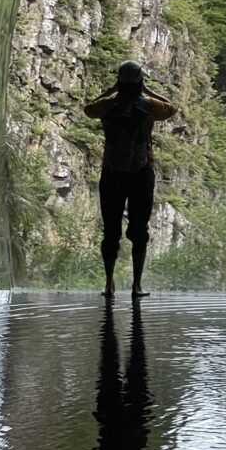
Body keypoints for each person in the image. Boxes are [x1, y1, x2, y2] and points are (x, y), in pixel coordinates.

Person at [84, 59, 176, 298]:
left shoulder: (107, 106)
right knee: (139, 230)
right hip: (142, 173)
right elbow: (172, 108)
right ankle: (136, 285)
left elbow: (88, 108)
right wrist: (148, 91)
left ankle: (109, 284)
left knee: (110, 229)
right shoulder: (149, 106)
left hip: (112, 173)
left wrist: (111, 90)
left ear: (120, 80)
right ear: (140, 80)